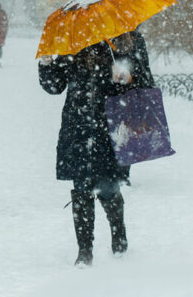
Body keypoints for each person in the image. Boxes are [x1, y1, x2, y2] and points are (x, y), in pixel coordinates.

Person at [38, 30, 154, 266]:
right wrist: (47, 63)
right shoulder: (73, 41)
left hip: (111, 125)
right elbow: (54, 86)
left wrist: (127, 78)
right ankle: (84, 251)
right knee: (81, 187)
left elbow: (145, 83)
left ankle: (119, 236)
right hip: (78, 125)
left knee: (108, 185)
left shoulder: (128, 39)